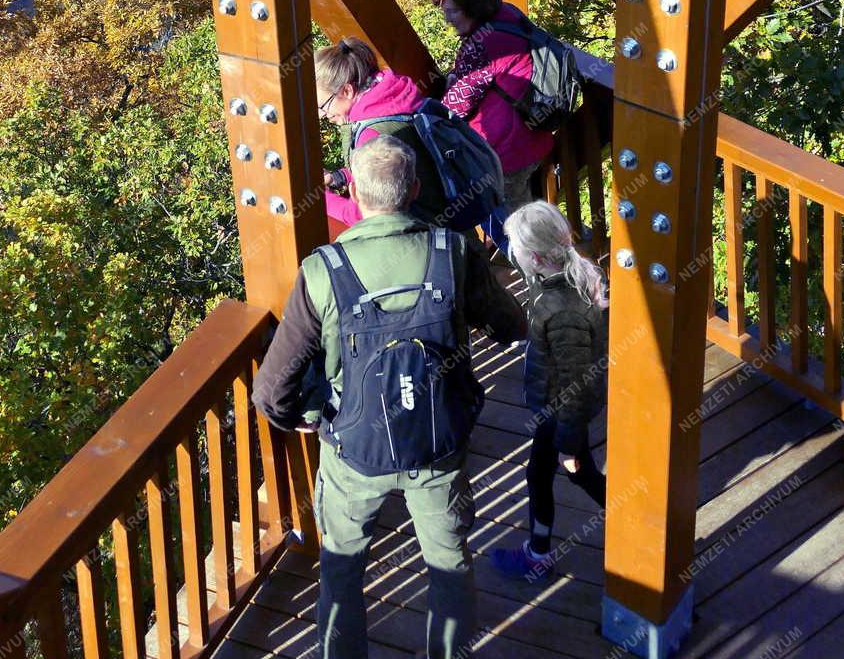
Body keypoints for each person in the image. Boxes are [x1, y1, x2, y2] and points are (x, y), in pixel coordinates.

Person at [253, 136, 527, 659]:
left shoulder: (323, 271)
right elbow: (509, 326)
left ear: (354, 192)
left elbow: (272, 390)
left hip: (355, 448)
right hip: (437, 442)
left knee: (340, 566)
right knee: (449, 565)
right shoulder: (455, 251)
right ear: (415, 189)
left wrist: (306, 418)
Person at [491, 200, 608, 581]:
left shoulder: (563, 312)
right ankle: (539, 549)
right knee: (541, 473)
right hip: (554, 403)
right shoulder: (560, 274)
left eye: (516, 249)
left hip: (562, 406)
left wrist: (569, 443)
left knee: (575, 471)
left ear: (537, 258)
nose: (510, 255)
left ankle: (541, 555)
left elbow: (577, 382)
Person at [433, 0, 555, 237]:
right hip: (531, 136)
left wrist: (449, 87)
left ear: (472, 6)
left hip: (504, 151)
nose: (447, 18)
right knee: (524, 216)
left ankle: (538, 272)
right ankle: (543, 264)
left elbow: (456, 105)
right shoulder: (507, 15)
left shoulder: (483, 43)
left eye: (451, 10)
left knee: (514, 228)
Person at [316, 36, 448, 229]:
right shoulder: (396, 99)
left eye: (323, 106)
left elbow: (363, 212)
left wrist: (320, 198)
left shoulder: (372, 133)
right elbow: (393, 168)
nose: (321, 115)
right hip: (452, 228)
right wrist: (341, 176)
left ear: (346, 91)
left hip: (428, 240)